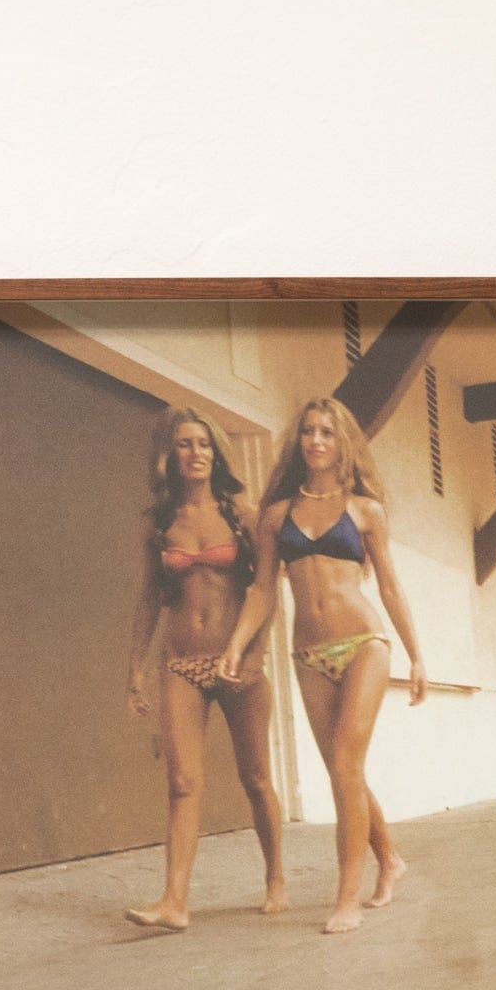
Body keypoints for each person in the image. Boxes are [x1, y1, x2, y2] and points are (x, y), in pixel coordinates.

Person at [219, 396, 428, 934]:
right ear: (299, 442)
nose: (316, 440)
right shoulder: (275, 515)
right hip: (308, 654)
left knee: (344, 765)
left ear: (344, 443)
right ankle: (391, 860)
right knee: (344, 769)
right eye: (309, 431)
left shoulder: (365, 510)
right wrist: (236, 645)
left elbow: (390, 586)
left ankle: (346, 897)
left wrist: (417, 655)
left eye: (328, 433)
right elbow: (263, 590)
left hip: (365, 643)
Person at [125, 407, 287, 931]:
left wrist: (255, 653)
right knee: (181, 780)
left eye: (203, 445)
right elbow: (150, 598)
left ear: (216, 453)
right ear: (168, 456)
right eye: (184, 445)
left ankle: (277, 878)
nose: (194, 453)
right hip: (182, 662)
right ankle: (175, 902)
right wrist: (137, 668)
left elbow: (266, 590)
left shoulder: (242, 512)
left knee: (257, 778)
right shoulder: (158, 522)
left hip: (237, 660)